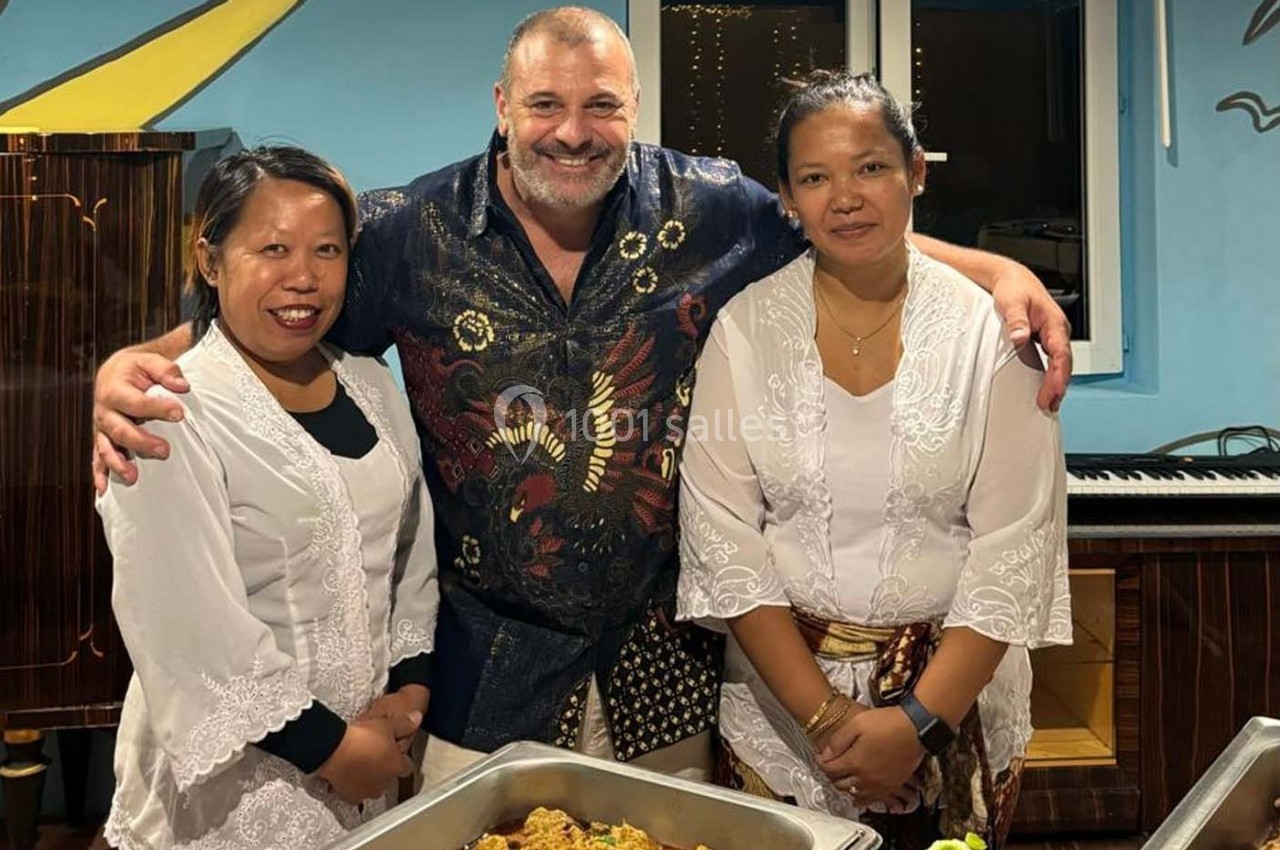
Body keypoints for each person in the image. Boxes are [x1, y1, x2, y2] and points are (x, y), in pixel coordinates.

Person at [91, 7, 1072, 788]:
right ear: (501, 104)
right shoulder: (406, 232)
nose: (571, 131)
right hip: (482, 677)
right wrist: (141, 359)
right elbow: (285, 309)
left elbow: (845, 224)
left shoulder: (712, 211)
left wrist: (993, 271)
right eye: (544, 104)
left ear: (635, 106)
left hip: (669, 671)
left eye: (600, 104)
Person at [675, 70, 1070, 850]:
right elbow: (723, 538)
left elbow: (1014, 544)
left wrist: (916, 724)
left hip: (954, 714)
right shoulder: (746, 328)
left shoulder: (990, 335)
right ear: (787, 197)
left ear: (915, 171)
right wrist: (828, 718)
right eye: (815, 178)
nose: (845, 198)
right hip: (782, 720)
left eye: (870, 168)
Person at [96, 147, 440, 850]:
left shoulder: (371, 386)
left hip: (369, 759)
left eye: (327, 250)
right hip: (237, 795)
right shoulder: (168, 413)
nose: (304, 278)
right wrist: (332, 750)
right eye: (273, 249)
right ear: (210, 260)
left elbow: (410, 553)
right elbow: (182, 624)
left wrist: (409, 690)